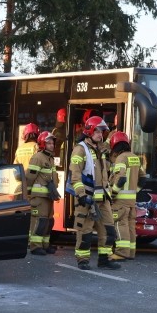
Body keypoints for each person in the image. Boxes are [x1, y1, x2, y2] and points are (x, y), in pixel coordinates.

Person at [68, 115, 120, 271]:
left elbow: (107, 170)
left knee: (108, 229)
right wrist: (81, 195)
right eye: (97, 131)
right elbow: (75, 175)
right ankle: (82, 260)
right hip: (88, 198)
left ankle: (104, 259)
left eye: (102, 131)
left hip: (103, 197)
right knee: (85, 231)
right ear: (89, 131)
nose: (100, 134)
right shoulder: (80, 149)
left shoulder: (101, 149)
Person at [107, 131, 143, 261]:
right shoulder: (135, 157)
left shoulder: (121, 158)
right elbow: (143, 178)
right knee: (130, 225)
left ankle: (121, 253)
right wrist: (135, 191)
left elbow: (120, 179)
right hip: (131, 200)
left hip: (120, 200)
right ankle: (131, 252)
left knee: (120, 224)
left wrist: (112, 194)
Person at [25, 131, 59, 256]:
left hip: (49, 196)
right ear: (42, 144)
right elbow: (29, 177)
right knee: (40, 221)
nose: (52, 145)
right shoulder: (38, 157)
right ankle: (35, 246)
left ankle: (45, 245)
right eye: (49, 143)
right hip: (39, 197)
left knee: (49, 222)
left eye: (52, 143)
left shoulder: (50, 158)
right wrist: (28, 193)